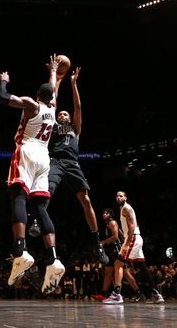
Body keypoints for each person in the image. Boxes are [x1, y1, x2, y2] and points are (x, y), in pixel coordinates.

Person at [0, 56, 65, 294]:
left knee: (17, 196)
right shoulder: (52, 108)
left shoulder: (31, 104)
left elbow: (2, 98)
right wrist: (54, 71)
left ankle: (20, 252)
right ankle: (53, 258)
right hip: (44, 158)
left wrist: (4, 81)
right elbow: (53, 89)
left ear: (37, 95)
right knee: (40, 207)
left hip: (27, 151)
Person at [49, 66, 108, 265]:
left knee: (86, 200)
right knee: (46, 192)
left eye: (65, 114)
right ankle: (36, 222)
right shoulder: (55, 128)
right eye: (61, 114)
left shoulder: (75, 128)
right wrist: (57, 80)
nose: (63, 115)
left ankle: (97, 242)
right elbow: (53, 102)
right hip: (55, 161)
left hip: (72, 163)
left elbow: (78, 107)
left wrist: (73, 84)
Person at [103, 191, 164, 304]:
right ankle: (156, 294)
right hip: (134, 238)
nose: (118, 197)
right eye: (117, 196)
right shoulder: (123, 209)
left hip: (133, 238)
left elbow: (132, 226)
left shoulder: (126, 208)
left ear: (125, 197)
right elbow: (126, 229)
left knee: (118, 264)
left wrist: (126, 244)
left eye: (121, 196)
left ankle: (117, 295)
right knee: (142, 267)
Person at [93, 208, 144, 302]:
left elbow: (115, 237)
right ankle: (103, 294)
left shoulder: (112, 223)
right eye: (103, 213)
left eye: (107, 213)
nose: (104, 214)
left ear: (111, 215)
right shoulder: (109, 224)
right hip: (111, 251)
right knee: (108, 272)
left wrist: (103, 242)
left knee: (126, 273)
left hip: (116, 250)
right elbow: (121, 234)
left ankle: (138, 293)